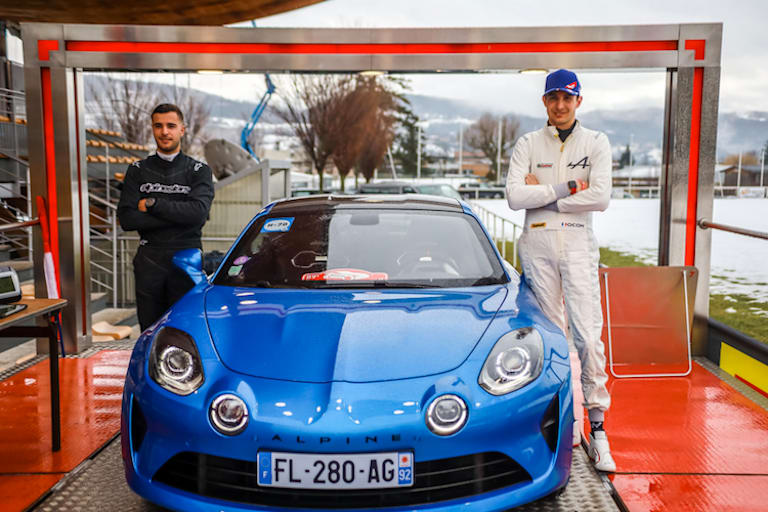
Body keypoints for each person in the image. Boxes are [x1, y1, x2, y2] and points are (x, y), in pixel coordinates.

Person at [505, 69, 616, 472]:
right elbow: (515, 196)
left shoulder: (596, 142)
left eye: (568, 98)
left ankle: (598, 427)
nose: (561, 105)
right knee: (549, 338)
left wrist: (547, 195)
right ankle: (562, 422)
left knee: (587, 335)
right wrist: (570, 189)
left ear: (579, 101)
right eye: (554, 97)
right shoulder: (528, 142)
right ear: (545, 102)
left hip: (578, 242)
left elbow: (601, 197)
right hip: (537, 243)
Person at [117, 103, 214, 331]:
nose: (164, 132)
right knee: (150, 330)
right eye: (158, 126)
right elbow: (128, 219)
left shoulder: (199, 170)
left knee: (186, 330)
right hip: (149, 259)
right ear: (152, 129)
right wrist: (180, 213)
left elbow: (198, 213)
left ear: (182, 129)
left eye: (171, 126)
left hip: (187, 258)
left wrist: (153, 203)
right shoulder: (137, 170)